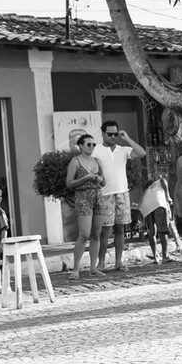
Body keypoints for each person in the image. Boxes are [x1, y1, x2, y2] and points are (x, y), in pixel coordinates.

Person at [95, 120, 146, 272]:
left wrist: (127, 138)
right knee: (105, 230)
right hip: (105, 194)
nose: (112, 137)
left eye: (115, 134)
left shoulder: (122, 150)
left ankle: (119, 262)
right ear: (103, 134)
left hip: (122, 193)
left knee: (120, 229)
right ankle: (101, 263)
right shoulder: (96, 150)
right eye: (109, 134)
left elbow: (142, 153)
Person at [65, 133, 106, 280]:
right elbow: (69, 183)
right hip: (83, 197)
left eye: (93, 144)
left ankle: (93, 267)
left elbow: (104, 182)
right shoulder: (75, 162)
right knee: (83, 234)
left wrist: (100, 179)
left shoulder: (97, 161)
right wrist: (85, 178)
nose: (91, 147)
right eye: (89, 144)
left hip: (98, 197)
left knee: (96, 233)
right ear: (81, 146)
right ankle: (76, 269)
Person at [139, 170, 181, 263]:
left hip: (146, 208)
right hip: (158, 204)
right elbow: (165, 189)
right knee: (162, 231)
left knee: (151, 233)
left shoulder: (146, 188)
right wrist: (168, 198)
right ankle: (165, 256)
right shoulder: (161, 181)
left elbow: (141, 201)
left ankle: (155, 257)